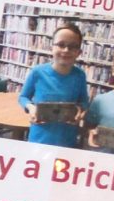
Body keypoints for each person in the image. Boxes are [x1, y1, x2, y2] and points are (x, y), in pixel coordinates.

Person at [18, 21, 91, 149]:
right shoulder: (37, 72)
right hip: (39, 139)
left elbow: (84, 102)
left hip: (67, 140)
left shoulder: (80, 75)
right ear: (52, 47)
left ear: (79, 52)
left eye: (73, 46)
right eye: (61, 45)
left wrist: (80, 111)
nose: (66, 50)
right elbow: (23, 97)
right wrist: (31, 107)